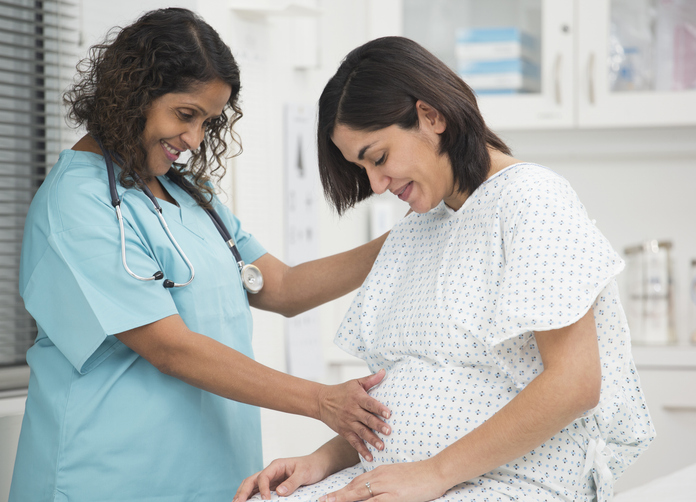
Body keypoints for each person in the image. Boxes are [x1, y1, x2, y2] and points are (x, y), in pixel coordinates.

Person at [234, 36, 655, 502]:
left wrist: (434, 474)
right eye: (362, 168)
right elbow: (412, 391)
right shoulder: (425, 223)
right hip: (412, 476)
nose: (375, 185)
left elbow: (574, 384)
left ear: (431, 116)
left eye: (378, 158)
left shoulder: (530, 199)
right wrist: (322, 461)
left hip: (508, 481)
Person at [9, 9, 395, 502]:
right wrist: (322, 401)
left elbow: (282, 287)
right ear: (132, 94)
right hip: (106, 478)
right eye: (185, 114)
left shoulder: (188, 194)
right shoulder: (77, 203)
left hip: (214, 477)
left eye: (207, 122)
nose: (193, 140)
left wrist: (404, 240)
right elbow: (170, 347)